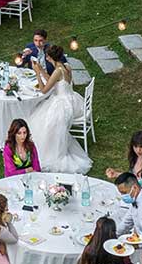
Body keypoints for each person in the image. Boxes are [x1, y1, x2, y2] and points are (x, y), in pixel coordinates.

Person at [22, 45, 91, 174]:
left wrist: (37, 73)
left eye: (47, 56)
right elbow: (54, 81)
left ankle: (47, 150)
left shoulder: (58, 70)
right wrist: (42, 70)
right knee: (40, 115)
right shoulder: (65, 67)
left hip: (62, 104)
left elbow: (44, 90)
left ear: (49, 57)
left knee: (42, 120)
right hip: (71, 100)